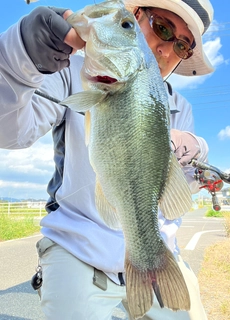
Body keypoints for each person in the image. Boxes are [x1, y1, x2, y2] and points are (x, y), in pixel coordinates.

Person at [0, 0, 214, 319]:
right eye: (163, 28)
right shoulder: (66, 69)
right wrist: (18, 56)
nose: (167, 50)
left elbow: (174, 191)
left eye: (182, 46)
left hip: (157, 251)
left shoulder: (180, 107)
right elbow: (10, 133)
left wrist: (199, 149)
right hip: (79, 249)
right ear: (138, 15)